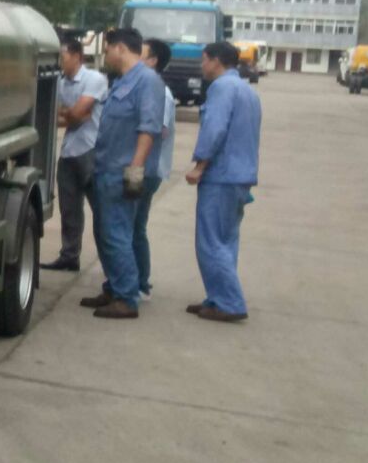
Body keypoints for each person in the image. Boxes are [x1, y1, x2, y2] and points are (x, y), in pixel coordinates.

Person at [81, 26, 162, 320]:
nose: (106, 55)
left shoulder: (146, 81)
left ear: (120, 48)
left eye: (108, 49)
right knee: (107, 234)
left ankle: (127, 297)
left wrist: (135, 171)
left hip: (122, 171)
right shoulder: (123, 81)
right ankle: (114, 288)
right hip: (106, 169)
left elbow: (148, 128)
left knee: (118, 235)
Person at [185, 42, 262, 323]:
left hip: (222, 175)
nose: (201, 66)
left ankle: (229, 302)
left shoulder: (221, 88)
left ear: (216, 61)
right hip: (241, 176)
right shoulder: (247, 91)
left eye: (204, 60)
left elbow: (215, 128)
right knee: (226, 240)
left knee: (211, 241)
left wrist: (200, 165)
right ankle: (217, 297)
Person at [42, 32, 106, 272]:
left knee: (101, 210)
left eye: (63, 56)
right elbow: (52, 116)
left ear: (77, 56)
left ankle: (110, 263)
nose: (60, 61)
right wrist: (72, 114)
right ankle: (69, 256)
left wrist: (68, 113)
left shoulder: (94, 79)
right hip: (69, 151)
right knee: (69, 209)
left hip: (91, 150)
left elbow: (78, 114)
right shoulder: (59, 82)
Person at [133, 38, 178, 296]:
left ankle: (139, 282)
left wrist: (133, 172)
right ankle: (136, 280)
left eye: (140, 53)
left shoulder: (159, 92)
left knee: (134, 226)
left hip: (145, 170)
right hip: (142, 168)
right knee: (132, 226)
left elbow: (154, 131)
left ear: (153, 61)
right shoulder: (146, 87)